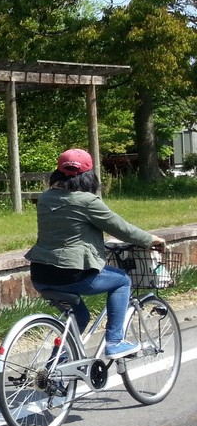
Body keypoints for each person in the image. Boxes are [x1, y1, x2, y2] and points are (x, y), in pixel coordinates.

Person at [25, 148, 166, 358]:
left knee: (80, 317)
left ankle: (56, 370)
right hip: (72, 274)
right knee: (122, 281)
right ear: (89, 175)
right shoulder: (87, 202)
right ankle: (115, 342)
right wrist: (150, 239)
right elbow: (121, 229)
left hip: (41, 274)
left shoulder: (45, 198)